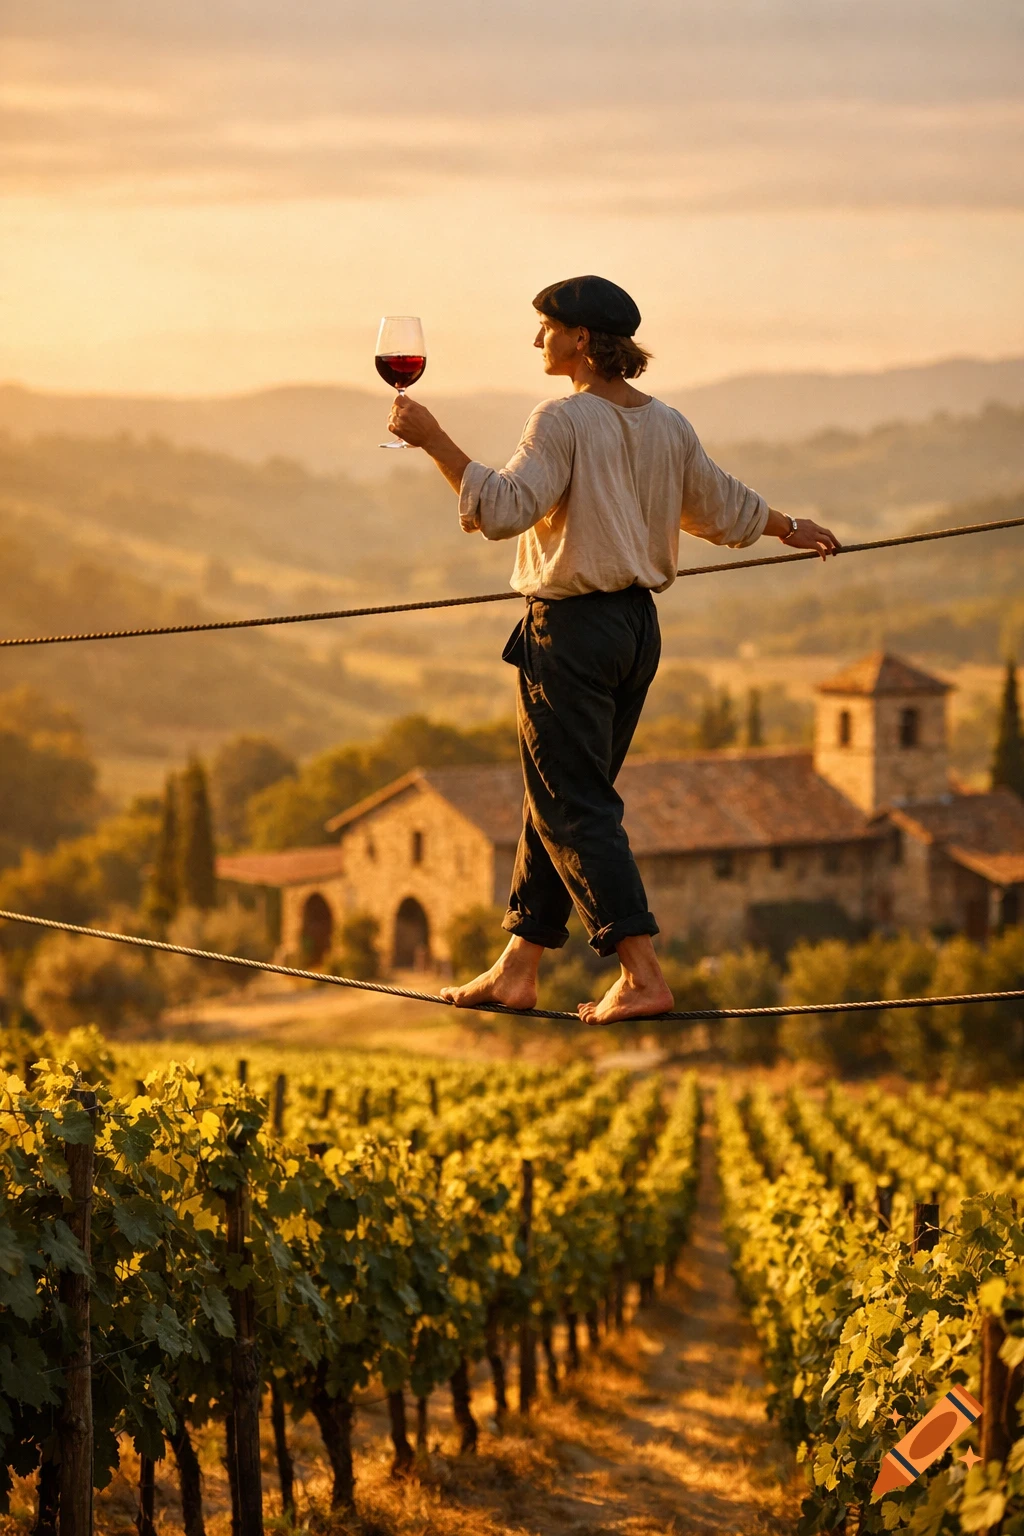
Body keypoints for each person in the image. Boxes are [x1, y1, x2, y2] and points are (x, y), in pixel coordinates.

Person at [387, 275, 839, 1024]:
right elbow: (724, 508)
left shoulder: (562, 420)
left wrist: (432, 439)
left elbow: (501, 511)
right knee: (556, 798)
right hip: (636, 633)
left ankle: (640, 971)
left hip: (569, 634)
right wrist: (794, 526)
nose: (538, 341)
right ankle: (518, 966)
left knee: (575, 805)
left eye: (548, 329)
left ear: (585, 342)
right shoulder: (668, 424)